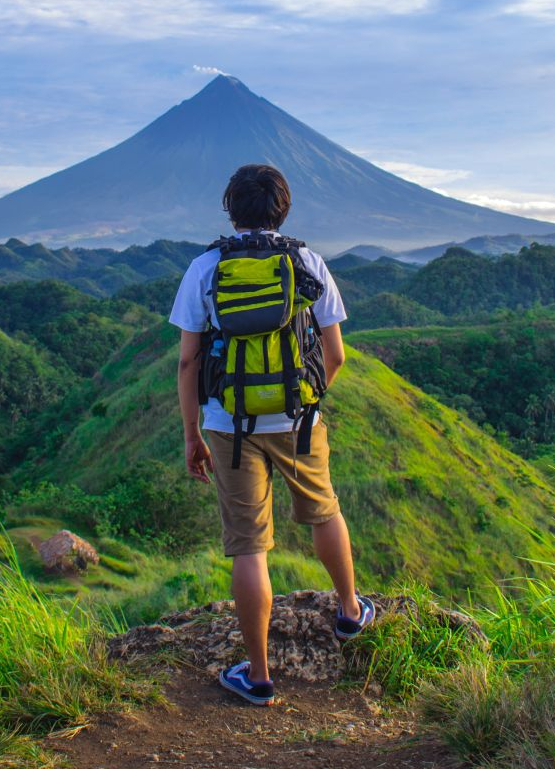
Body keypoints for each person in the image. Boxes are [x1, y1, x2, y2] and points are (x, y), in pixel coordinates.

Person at [168, 162, 373, 706]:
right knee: (324, 510)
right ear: (283, 207)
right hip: (299, 420)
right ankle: (350, 612)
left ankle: (258, 677)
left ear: (230, 208)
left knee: (249, 546)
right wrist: (306, 400)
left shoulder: (205, 267)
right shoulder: (306, 261)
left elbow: (188, 363)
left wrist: (192, 434)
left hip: (227, 424)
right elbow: (336, 354)